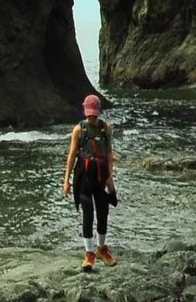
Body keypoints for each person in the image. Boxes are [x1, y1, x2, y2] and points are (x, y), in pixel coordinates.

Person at [60, 92, 117, 268]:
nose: (92, 117)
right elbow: (71, 155)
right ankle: (89, 253)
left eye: (94, 114)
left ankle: (102, 248)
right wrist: (66, 180)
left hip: (100, 177)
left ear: (98, 112)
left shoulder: (105, 129)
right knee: (88, 213)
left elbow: (108, 154)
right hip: (83, 177)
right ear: (85, 112)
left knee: (102, 212)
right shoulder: (79, 130)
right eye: (89, 114)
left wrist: (110, 179)